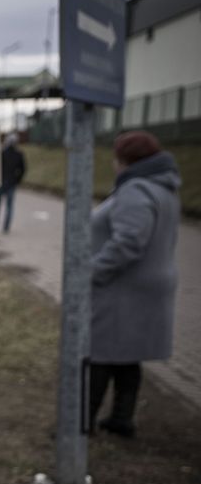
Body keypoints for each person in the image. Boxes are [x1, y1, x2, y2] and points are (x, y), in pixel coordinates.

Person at [88, 131, 180, 438]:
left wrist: (92, 271)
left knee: (98, 353)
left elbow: (128, 242)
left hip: (121, 288)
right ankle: (120, 418)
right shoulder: (163, 188)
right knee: (127, 356)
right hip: (144, 287)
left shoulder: (135, 189)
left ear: (125, 160)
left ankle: (81, 421)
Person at [0, 133, 27, 233]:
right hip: (11, 183)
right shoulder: (18, 154)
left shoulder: (1, 153)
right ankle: (6, 227)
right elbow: (23, 169)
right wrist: (17, 180)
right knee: (9, 206)